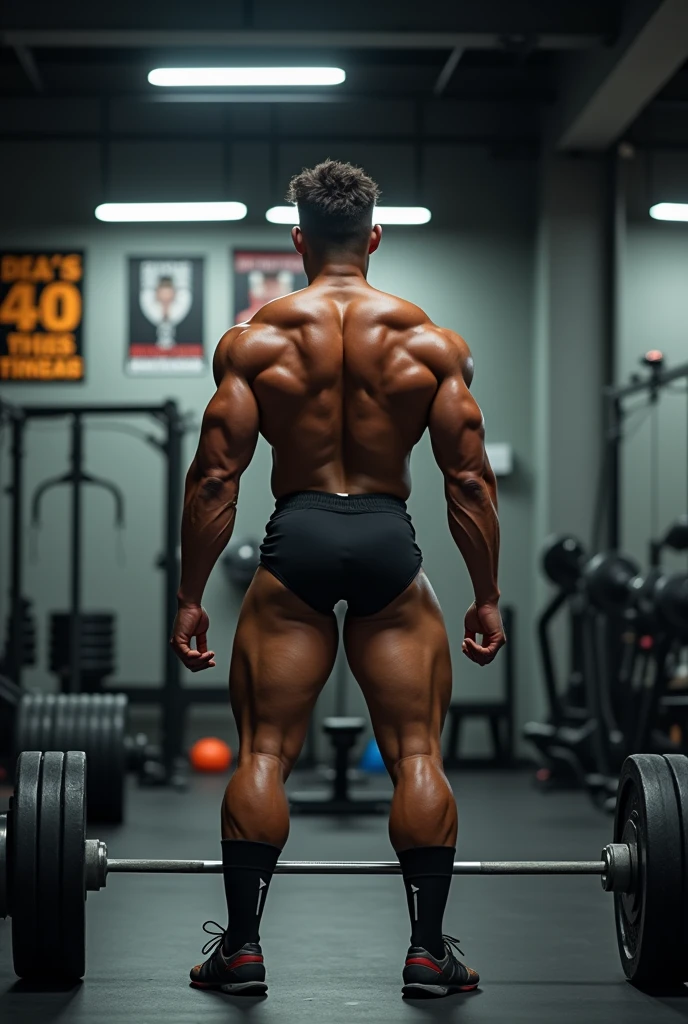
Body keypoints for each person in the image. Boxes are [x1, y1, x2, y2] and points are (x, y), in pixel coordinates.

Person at [171, 159, 506, 999]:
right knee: (418, 752)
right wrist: (486, 594)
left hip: (300, 536)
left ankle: (241, 953)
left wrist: (189, 595)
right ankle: (429, 955)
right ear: (376, 237)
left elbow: (216, 478)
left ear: (297, 242)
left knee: (267, 752)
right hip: (389, 540)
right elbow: (467, 480)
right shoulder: (431, 341)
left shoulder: (257, 341)